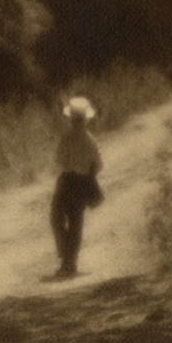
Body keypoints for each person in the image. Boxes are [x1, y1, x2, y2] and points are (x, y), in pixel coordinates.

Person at [50, 96, 103, 277]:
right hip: (80, 184)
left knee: (57, 218)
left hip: (66, 181)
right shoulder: (91, 140)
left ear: (72, 118)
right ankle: (70, 261)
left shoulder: (66, 138)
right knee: (75, 223)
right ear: (84, 119)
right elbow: (99, 165)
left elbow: (58, 160)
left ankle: (67, 259)